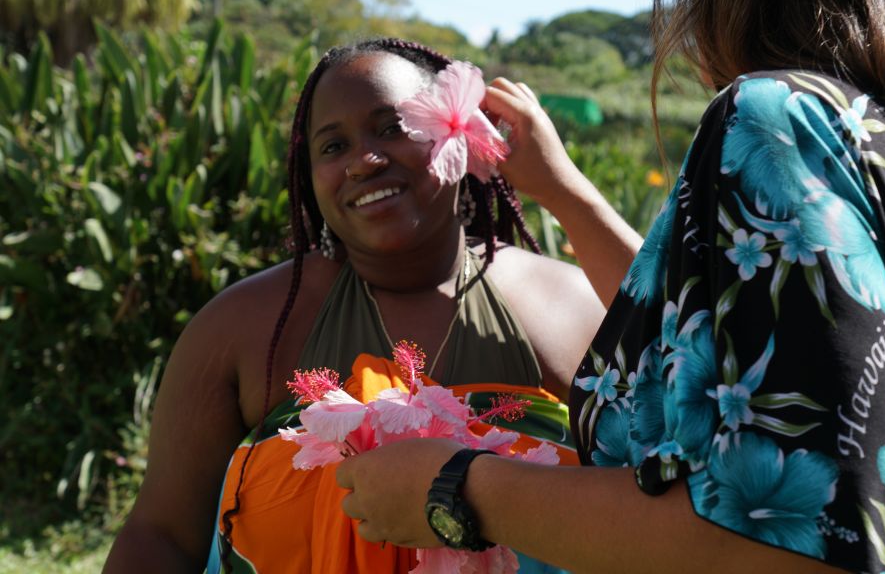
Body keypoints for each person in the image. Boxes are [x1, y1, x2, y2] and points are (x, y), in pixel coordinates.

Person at [335, 0, 885, 572]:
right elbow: (702, 335)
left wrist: (458, 488)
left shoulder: (778, 121)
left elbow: (789, 545)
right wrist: (564, 191)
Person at [103, 38, 608, 572]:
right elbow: (161, 536)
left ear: (460, 131)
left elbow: (660, 508)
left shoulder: (571, 306)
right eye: (331, 146)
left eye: (393, 128)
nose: (363, 161)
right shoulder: (241, 329)